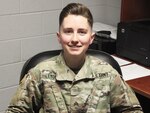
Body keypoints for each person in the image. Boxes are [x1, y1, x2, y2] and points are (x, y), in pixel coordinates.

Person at [6, 3, 143, 113]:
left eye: (82, 32)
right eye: (68, 31)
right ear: (59, 37)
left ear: (91, 38)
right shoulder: (40, 73)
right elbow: (16, 110)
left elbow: (132, 109)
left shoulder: (108, 74)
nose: (75, 39)